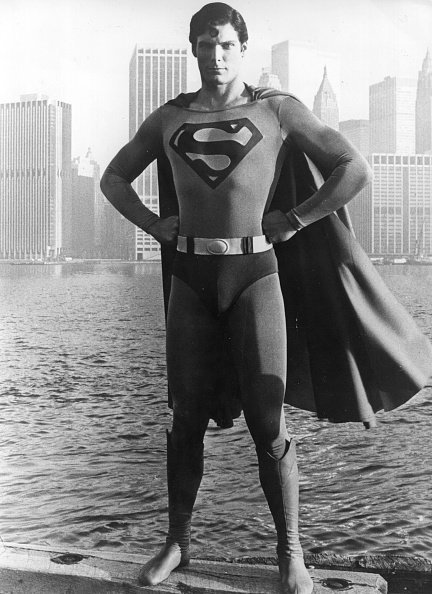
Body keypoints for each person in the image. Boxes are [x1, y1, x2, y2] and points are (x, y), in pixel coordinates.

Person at [100, 3, 432, 593]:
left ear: (242, 49)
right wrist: (155, 227)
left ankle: (291, 553)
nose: (216, 54)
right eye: (206, 44)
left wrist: (297, 219)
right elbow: (113, 177)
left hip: (256, 276)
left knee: (268, 422)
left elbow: (352, 167)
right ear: (194, 49)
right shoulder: (168, 118)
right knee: (185, 421)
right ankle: (177, 542)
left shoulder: (276, 109)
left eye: (227, 44)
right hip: (190, 284)